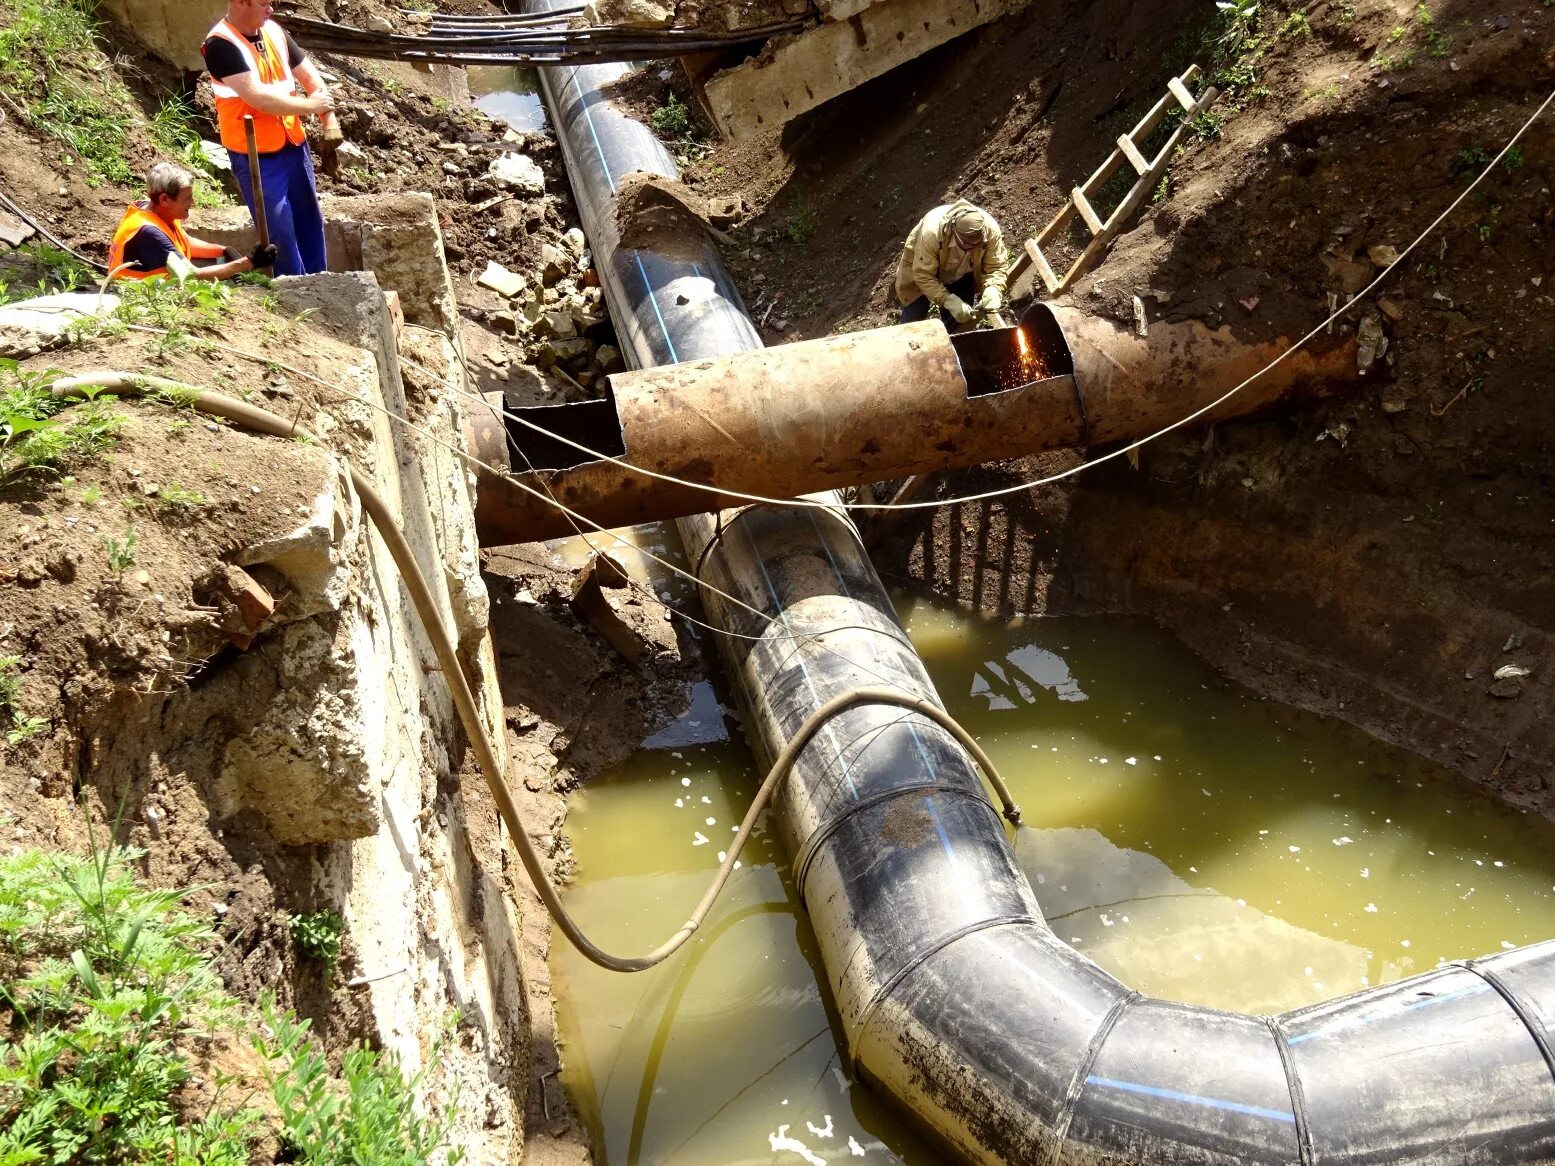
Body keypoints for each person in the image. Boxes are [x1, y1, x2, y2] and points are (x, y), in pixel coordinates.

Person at [202, 0, 343, 277]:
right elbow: (260, 99)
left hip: (292, 144)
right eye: (265, 3)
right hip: (255, 154)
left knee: (308, 219)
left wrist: (328, 116)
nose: (271, 9)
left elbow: (312, 79)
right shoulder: (220, 45)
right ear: (242, 2)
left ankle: (320, 284)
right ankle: (293, 290)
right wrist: (312, 106)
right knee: (280, 229)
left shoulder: (275, 33)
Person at [109, 162, 277, 281]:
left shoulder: (152, 209)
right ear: (165, 199)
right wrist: (249, 262)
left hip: (158, 285)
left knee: (218, 263)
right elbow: (191, 275)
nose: (193, 203)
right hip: (137, 296)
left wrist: (224, 251)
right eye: (187, 198)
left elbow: (182, 242)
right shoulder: (148, 232)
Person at [895, 199, 1013, 329]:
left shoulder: (991, 232)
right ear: (955, 233)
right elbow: (923, 276)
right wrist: (948, 301)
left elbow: (996, 266)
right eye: (968, 245)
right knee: (913, 318)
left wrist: (994, 288)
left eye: (977, 245)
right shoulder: (932, 234)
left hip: (962, 273)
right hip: (922, 271)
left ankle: (952, 343)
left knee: (959, 323)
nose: (973, 249)